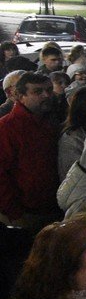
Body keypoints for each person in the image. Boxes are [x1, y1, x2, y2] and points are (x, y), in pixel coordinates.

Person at [0, 71, 59, 230]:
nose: (46, 95)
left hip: (51, 208)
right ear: (20, 96)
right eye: (37, 92)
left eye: (49, 89)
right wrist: (14, 212)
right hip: (24, 214)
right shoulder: (6, 127)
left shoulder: (50, 122)